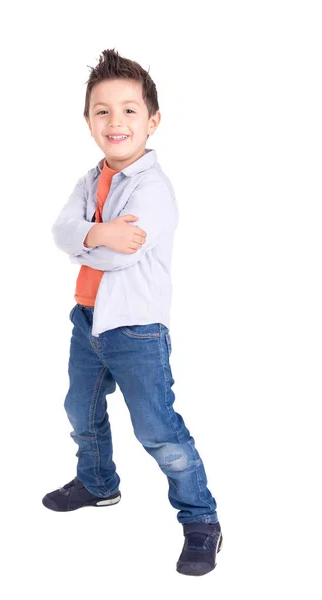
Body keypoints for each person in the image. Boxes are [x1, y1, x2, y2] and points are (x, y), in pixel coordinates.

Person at [42, 48, 223, 576]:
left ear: (152, 120)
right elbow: (61, 232)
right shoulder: (90, 179)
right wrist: (97, 232)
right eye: (102, 111)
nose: (115, 121)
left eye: (128, 110)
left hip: (137, 331)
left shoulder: (153, 188)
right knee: (82, 411)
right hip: (87, 321)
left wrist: (90, 239)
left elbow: (118, 256)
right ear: (88, 121)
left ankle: (201, 520)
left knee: (158, 430)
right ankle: (98, 484)